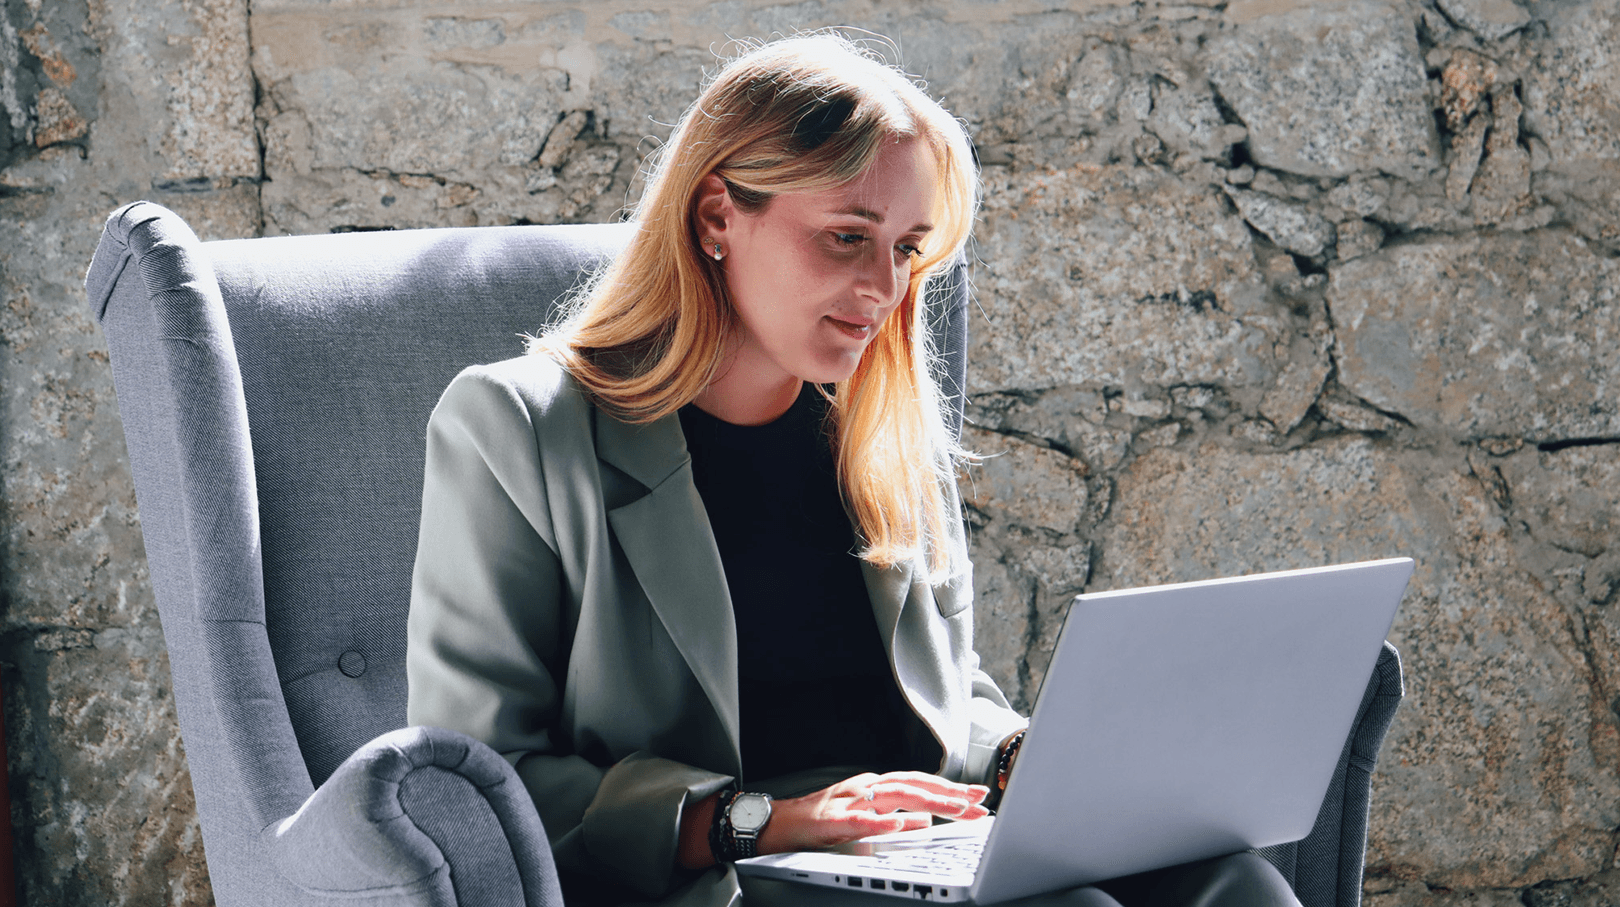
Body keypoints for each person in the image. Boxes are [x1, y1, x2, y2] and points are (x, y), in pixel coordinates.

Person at [406, 31, 1301, 907]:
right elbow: (478, 778)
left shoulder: (881, 429)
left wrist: (1030, 754)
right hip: (727, 867)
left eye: (908, 247)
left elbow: (943, 698)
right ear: (718, 215)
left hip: (913, 844)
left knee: (1236, 880)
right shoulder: (520, 427)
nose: (886, 288)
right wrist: (767, 819)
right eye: (847, 237)